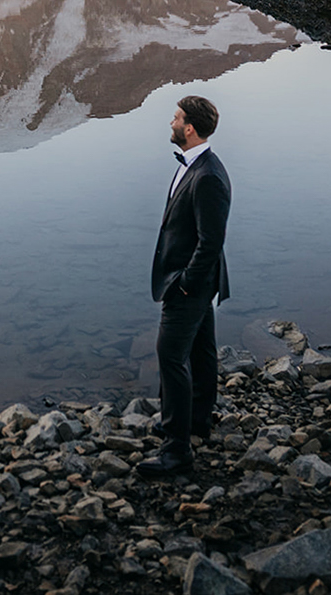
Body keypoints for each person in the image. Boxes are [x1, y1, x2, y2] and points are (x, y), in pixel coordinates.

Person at [137, 95, 231, 478]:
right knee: (202, 349)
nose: (171, 123)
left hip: (188, 282)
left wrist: (187, 284)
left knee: (171, 357)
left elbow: (212, 241)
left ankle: (176, 451)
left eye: (176, 118)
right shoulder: (196, 165)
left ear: (189, 127)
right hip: (195, 280)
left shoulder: (208, 176)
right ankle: (197, 420)